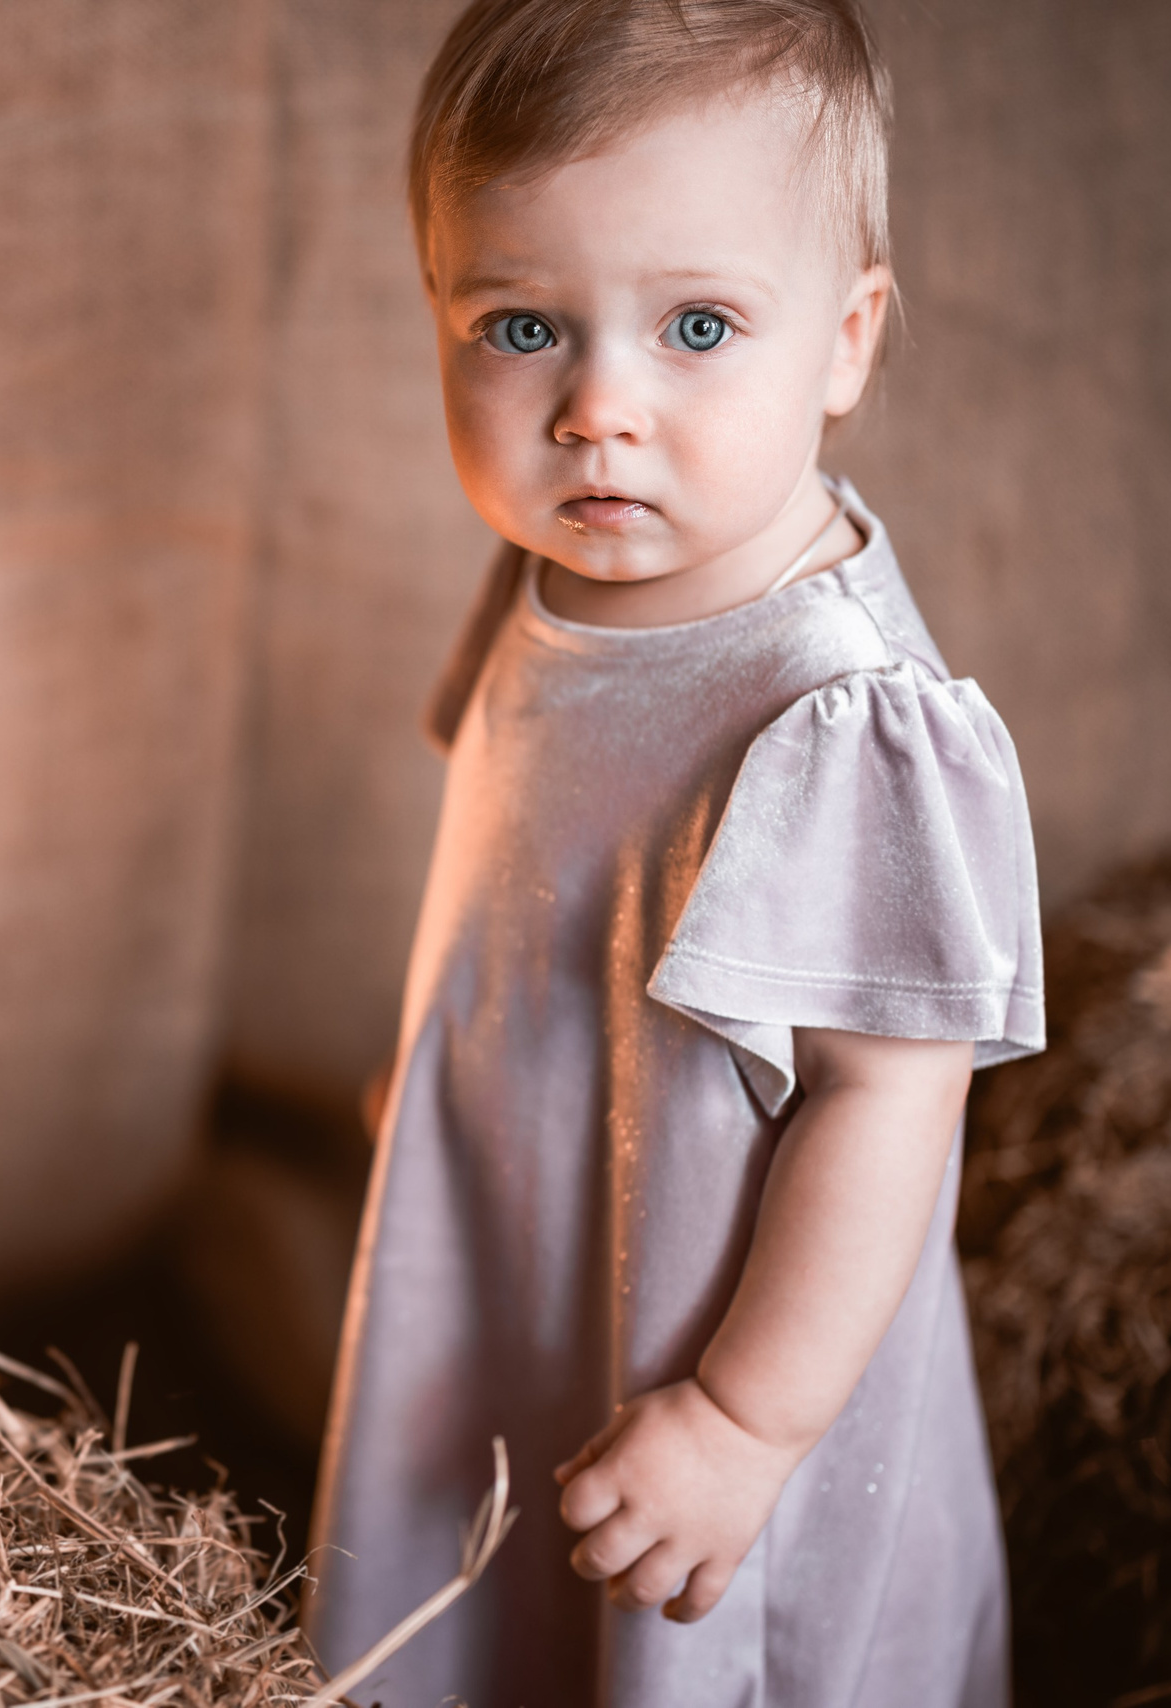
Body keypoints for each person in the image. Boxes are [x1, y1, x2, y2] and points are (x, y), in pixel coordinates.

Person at [305, 3, 1041, 1703]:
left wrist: (741, 1420)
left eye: (698, 324)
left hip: (721, 1334)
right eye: (522, 325)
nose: (597, 409)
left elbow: (893, 1101)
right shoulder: (558, 575)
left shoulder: (838, 718)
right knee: (490, 1599)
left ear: (847, 342)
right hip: (528, 1239)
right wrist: (455, 1085)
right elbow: (523, 883)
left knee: (680, 1635)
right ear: (439, 314)